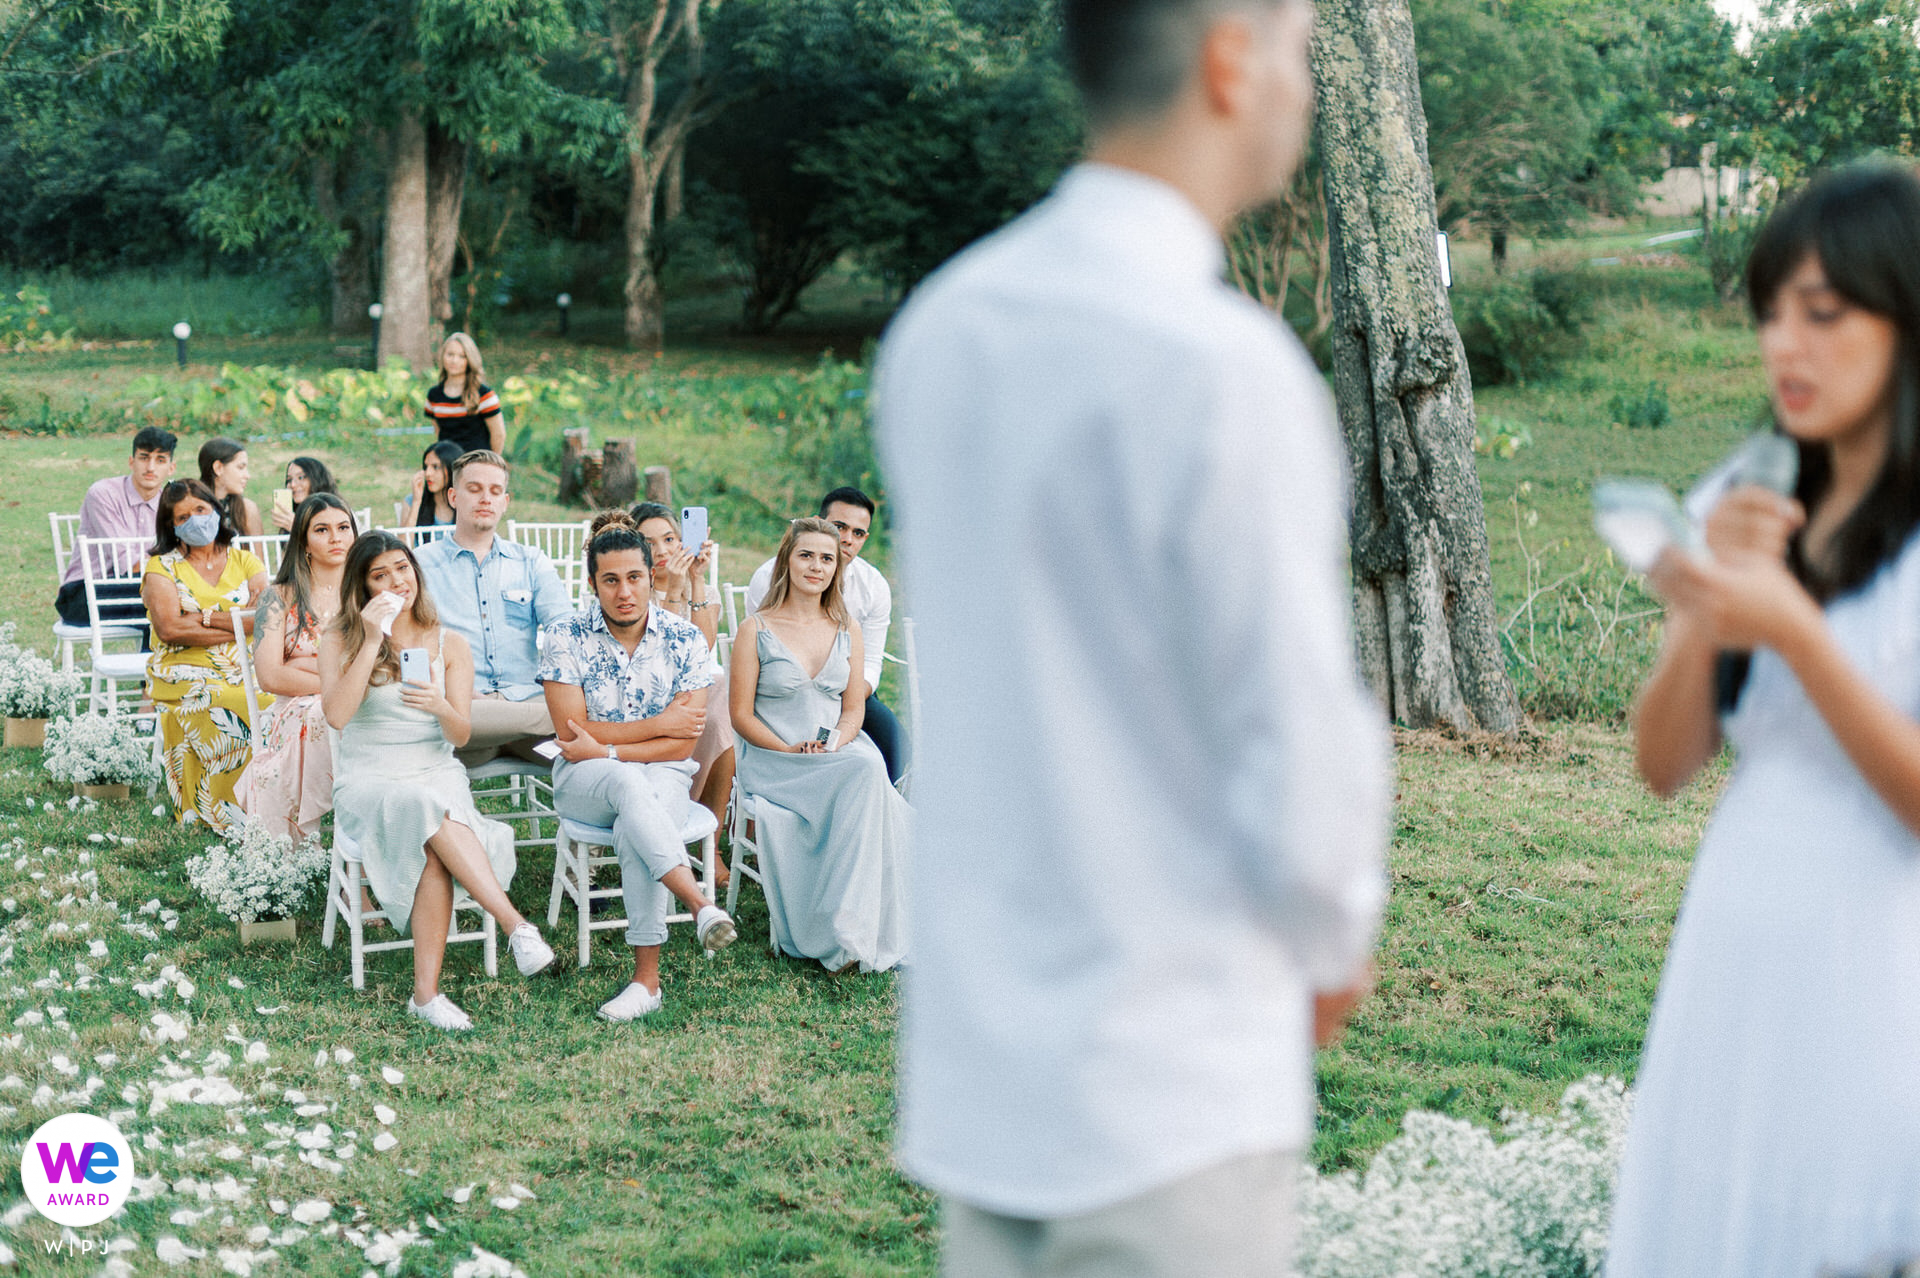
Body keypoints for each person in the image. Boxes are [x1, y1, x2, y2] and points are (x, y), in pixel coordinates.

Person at [874, 0, 1391, 1272]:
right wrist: (1332, 935)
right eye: (1299, 48)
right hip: (1169, 1080)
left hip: (984, 1072)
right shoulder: (1222, 367)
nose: (1305, 88)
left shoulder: (943, 327)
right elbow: (1293, 726)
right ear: (1231, 57)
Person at [1608, 164, 1920, 1276]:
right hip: (1739, 955)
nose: (1785, 346)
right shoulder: (1753, 486)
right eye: (1771, 314)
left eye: (1824, 314)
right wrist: (1709, 605)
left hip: (1881, 970)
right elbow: (1660, 764)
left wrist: (1795, 632)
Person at [322, 531, 556, 1031]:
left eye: (401, 569)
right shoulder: (340, 637)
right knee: (421, 808)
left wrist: (438, 703)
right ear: (361, 587)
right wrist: (369, 639)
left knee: (428, 820)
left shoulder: (449, 642)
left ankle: (425, 996)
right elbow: (337, 717)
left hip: (434, 768)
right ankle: (516, 926)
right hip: (370, 777)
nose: (395, 582)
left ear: (416, 571)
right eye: (379, 575)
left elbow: (462, 732)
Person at [538, 512, 740, 1022]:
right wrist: (661, 723)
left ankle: (645, 982)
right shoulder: (565, 635)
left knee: (637, 814)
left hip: (660, 772)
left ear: (653, 576)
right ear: (592, 584)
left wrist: (608, 746)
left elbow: (683, 744)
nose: (624, 591)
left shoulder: (685, 640)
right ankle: (698, 905)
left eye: (634, 577)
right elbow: (569, 734)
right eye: (610, 580)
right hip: (581, 779)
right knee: (630, 783)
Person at [731, 517, 909, 974]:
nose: (816, 566)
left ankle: (849, 925)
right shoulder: (756, 629)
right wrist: (790, 751)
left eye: (826, 558)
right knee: (867, 774)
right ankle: (839, 931)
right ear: (786, 560)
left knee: (866, 765)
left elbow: (853, 711)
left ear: (838, 569)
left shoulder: (846, 625)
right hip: (776, 757)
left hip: (834, 752)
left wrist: (836, 744)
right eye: (806, 555)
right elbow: (741, 716)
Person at [413, 450, 571, 764]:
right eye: (475, 489)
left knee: (585, 761)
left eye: (495, 491)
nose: (486, 498)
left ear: (505, 502)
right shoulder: (421, 565)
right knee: (577, 722)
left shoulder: (530, 561)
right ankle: (561, 719)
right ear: (454, 496)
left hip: (522, 703)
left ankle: (507, 735)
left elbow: (565, 630)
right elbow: (411, 643)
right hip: (462, 706)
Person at [745, 487, 903, 782]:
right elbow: (760, 652)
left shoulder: (874, 586)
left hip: (849, 686)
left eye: (858, 533)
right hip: (782, 688)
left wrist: (847, 696)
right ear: (818, 521)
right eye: (839, 527)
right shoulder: (767, 578)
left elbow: (872, 660)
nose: (847, 539)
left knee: (894, 743)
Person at [141, 478, 271, 834]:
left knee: (272, 697)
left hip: (246, 662)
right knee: (225, 698)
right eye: (183, 516)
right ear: (171, 526)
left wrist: (206, 617)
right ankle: (230, 813)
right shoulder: (161, 568)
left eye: (201, 509)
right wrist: (239, 623)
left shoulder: (244, 559)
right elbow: (170, 629)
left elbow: (267, 614)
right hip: (182, 668)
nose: (195, 520)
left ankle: (272, 804)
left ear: (215, 509)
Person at [241, 495, 358, 843]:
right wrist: (336, 681)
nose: (336, 538)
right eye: (322, 530)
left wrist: (304, 663)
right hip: (297, 711)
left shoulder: (364, 594)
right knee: (323, 714)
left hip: (360, 704)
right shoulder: (279, 597)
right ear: (304, 541)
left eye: (343, 528)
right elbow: (271, 677)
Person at [631, 502, 732, 837]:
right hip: (648, 695)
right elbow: (664, 663)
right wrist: (672, 589)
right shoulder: (630, 592)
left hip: (695, 692)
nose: (661, 551)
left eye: (670, 539)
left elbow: (700, 650)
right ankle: (684, 817)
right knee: (716, 716)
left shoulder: (704, 589)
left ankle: (712, 840)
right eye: (648, 542)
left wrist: (696, 580)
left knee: (721, 714)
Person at [55, 426, 176, 627]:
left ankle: (153, 658)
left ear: (171, 468)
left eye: (160, 460)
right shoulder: (103, 493)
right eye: (144, 458)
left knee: (170, 596)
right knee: (163, 598)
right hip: (83, 594)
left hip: (143, 586)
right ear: (131, 461)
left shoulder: (170, 503)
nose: (151, 468)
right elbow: (128, 563)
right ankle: (157, 659)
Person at [424, 333, 504, 455]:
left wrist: (491, 464)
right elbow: (439, 433)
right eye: (450, 354)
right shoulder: (434, 395)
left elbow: (498, 434)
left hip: (477, 463)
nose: (454, 361)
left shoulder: (484, 395)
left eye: (462, 356)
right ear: (442, 356)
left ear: (470, 360)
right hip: (448, 465)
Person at [199, 438, 263, 538]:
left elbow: (258, 553)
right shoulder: (192, 509)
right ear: (218, 468)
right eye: (241, 467)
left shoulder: (247, 509)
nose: (247, 475)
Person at [402, 441, 463, 529]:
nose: (428, 473)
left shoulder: (466, 502)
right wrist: (416, 502)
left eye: (435, 467)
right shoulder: (411, 501)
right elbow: (403, 542)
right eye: (426, 467)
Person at [271, 457, 339, 533]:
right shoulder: (293, 516)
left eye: (301, 477)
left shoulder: (335, 513)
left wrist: (296, 528)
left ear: (317, 480)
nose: (293, 485)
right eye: (289, 480)